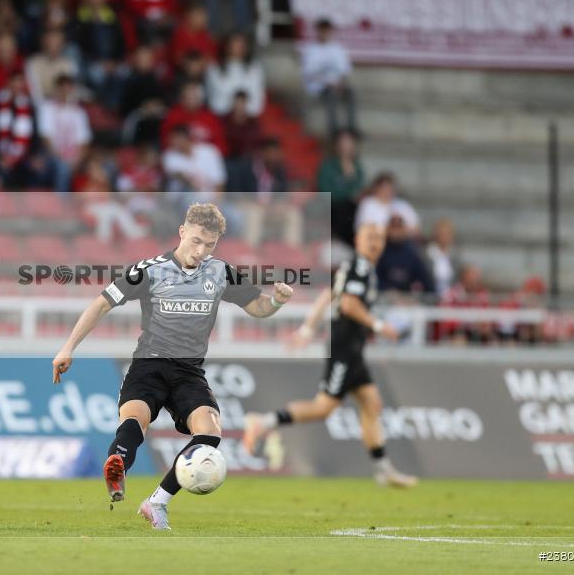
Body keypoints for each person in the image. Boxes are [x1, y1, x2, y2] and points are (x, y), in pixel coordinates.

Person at [52, 202, 294, 530]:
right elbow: (100, 304)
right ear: (182, 232)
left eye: (209, 245)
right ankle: (118, 467)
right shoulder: (150, 270)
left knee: (210, 432)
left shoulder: (220, 272)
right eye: (195, 241)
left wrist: (277, 299)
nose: (200, 250)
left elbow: (258, 309)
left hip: (188, 372)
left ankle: (157, 502)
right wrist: (68, 347)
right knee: (135, 421)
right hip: (149, 365)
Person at [243, 224, 419, 488]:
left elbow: (328, 294)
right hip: (344, 351)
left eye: (379, 238)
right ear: (358, 239)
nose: (375, 243)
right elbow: (348, 305)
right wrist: (380, 326)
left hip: (354, 352)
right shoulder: (359, 267)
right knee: (322, 408)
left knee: (372, 405)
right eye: (370, 237)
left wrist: (307, 328)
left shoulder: (360, 268)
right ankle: (263, 421)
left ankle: (384, 470)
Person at [299, 18, 357, 137]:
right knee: (331, 95)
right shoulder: (310, 50)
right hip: (319, 87)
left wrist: (341, 84)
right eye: (322, 30)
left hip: (337, 85)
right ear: (318, 31)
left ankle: (352, 128)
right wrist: (329, 83)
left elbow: (345, 72)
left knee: (351, 92)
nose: (325, 33)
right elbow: (309, 75)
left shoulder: (337, 49)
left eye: (327, 31)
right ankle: (333, 130)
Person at [318, 129, 366, 247]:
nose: (346, 147)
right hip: (334, 207)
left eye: (349, 143)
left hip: (352, 207)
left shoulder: (357, 168)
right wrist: (348, 194)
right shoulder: (328, 166)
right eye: (343, 143)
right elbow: (325, 190)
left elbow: (360, 189)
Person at [205, 32, 264, 117]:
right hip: (220, 117)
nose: (238, 48)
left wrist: (244, 112)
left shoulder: (255, 69)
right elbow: (212, 98)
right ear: (226, 46)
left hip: (248, 118)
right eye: (235, 44)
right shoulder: (214, 69)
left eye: (241, 45)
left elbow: (258, 98)